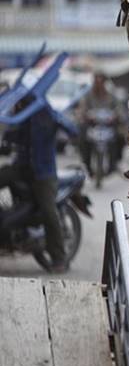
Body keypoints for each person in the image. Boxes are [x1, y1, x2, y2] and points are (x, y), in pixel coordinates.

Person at [0, 95, 74, 272]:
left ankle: (59, 258)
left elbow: (73, 131)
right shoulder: (21, 116)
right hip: (21, 169)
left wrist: (59, 120)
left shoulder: (45, 113)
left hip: (43, 174)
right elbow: (11, 139)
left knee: (49, 211)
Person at [76, 72, 127, 175]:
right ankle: (86, 163)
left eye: (101, 81)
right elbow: (82, 110)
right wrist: (86, 116)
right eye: (97, 81)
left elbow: (119, 110)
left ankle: (114, 163)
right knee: (81, 137)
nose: (99, 84)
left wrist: (115, 116)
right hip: (92, 125)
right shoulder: (88, 96)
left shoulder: (111, 96)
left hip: (107, 125)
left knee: (121, 137)